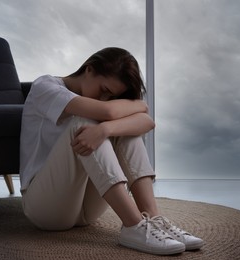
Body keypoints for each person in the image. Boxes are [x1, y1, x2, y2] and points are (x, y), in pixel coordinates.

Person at [19, 47, 203, 256]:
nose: (104, 98)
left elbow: (147, 122)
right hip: (44, 207)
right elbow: (109, 111)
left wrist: (106, 129)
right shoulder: (45, 86)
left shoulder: (100, 104)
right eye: (104, 89)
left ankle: (152, 220)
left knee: (122, 129)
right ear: (89, 69)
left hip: (86, 210)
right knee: (86, 122)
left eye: (111, 95)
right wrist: (139, 106)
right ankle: (133, 225)